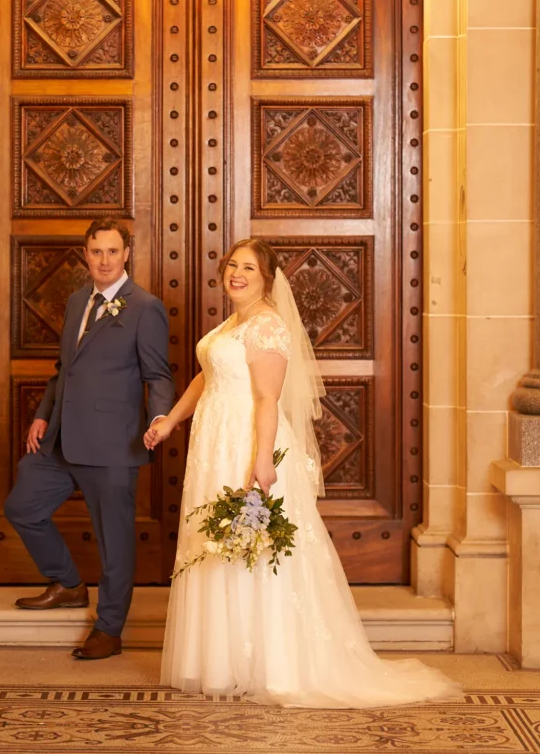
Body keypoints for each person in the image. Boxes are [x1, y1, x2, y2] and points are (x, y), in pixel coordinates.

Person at [145, 238, 459, 708]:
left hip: (248, 444)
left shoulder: (268, 325)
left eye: (248, 268)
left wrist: (263, 459)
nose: (236, 273)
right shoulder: (234, 322)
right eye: (232, 265)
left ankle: (273, 664)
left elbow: (268, 399)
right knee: (216, 548)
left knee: (250, 548)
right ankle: (219, 659)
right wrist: (171, 420)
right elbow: (206, 376)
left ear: (267, 278)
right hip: (213, 443)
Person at [5, 218, 174, 660]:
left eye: (112, 251)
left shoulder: (145, 307)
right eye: (96, 251)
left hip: (114, 445)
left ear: (126, 255)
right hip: (62, 438)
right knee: (22, 506)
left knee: (113, 541)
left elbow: (158, 374)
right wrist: (43, 416)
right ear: (86, 255)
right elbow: (66, 369)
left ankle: (109, 629)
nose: (104, 260)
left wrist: (160, 417)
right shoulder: (78, 300)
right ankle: (67, 583)